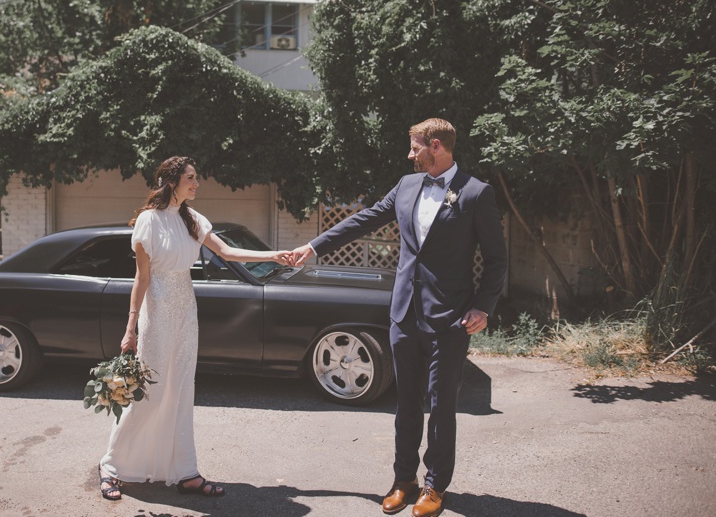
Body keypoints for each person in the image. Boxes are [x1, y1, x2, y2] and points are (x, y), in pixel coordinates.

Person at [291, 118, 507, 517]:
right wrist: (314, 246)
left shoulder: (476, 193)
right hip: (404, 313)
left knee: (441, 405)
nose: (409, 155)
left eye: (415, 148)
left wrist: (483, 306)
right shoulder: (407, 186)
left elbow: (497, 258)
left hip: (451, 317)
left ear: (436, 146)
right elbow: (366, 218)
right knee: (406, 402)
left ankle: (434, 485)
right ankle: (403, 479)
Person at [98, 156, 291, 501]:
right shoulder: (148, 221)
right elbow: (142, 279)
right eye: (192, 178)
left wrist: (272, 255)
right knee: (150, 392)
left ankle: (185, 471)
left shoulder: (194, 220)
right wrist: (131, 329)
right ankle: (111, 466)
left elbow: (228, 253)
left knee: (182, 390)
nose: (197, 183)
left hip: (186, 311)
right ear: (173, 182)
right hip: (156, 312)